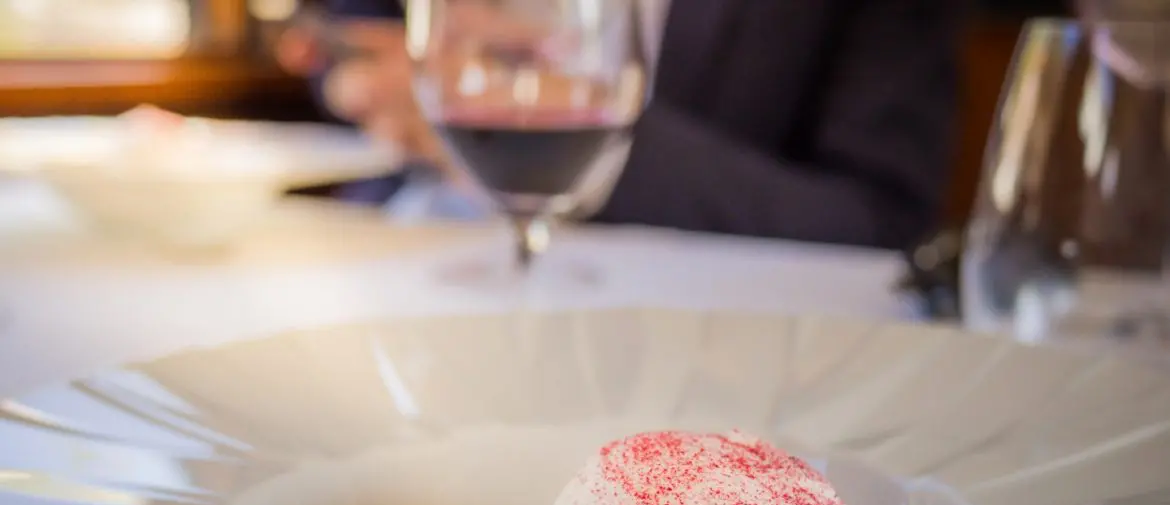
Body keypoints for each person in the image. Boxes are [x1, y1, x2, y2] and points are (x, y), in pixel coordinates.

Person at [278, 0, 968, 249]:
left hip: (690, 340)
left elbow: (882, 221)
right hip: (386, 250)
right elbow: (347, 32)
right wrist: (364, 74)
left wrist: (591, 144)